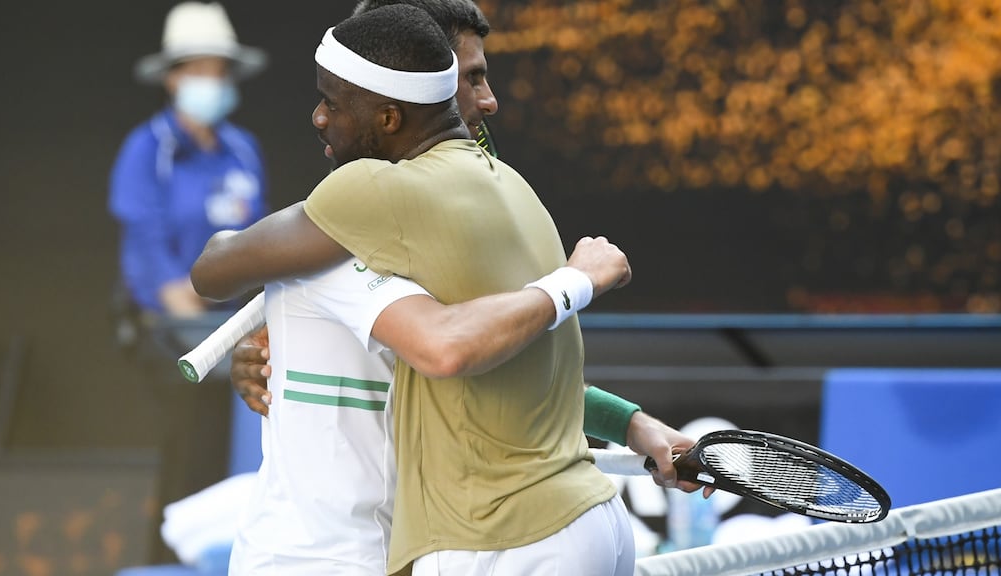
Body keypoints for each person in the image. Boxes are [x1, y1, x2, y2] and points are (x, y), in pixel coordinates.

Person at [192, 7, 700, 575]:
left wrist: (574, 283)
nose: (488, 101)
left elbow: (448, 348)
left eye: (332, 103)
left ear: (391, 106)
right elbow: (504, 374)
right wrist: (632, 422)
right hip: (586, 519)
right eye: (473, 76)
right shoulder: (514, 189)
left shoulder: (365, 198)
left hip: (483, 540)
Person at [106, 1, 268, 564]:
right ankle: (168, 563)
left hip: (238, 333)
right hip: (171, 335)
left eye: (218, 70)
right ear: (172, 77)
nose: (210, 82)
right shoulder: (147, 149)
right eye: (197, 69)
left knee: (239, 462)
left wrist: (246, 331)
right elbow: (148, 257)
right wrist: (207, 335)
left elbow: (258, 249)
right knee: (183, 458)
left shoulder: (243, 151)